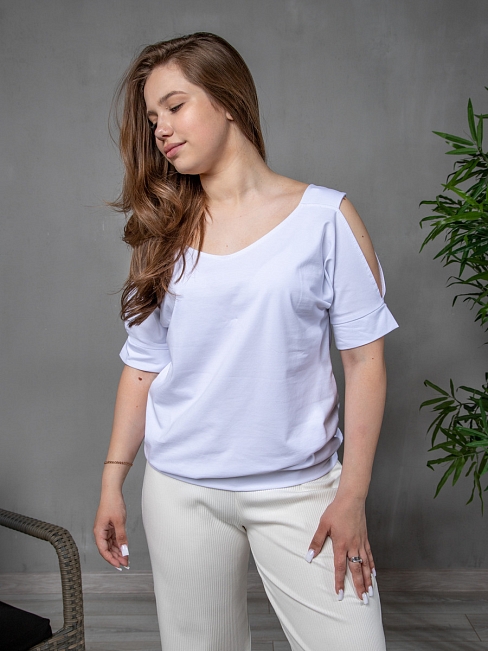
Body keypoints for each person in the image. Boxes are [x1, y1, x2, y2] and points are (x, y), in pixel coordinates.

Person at [93, 32, 398, 651]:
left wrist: (352, 495)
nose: (161, 129)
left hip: (300, 490)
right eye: (152, 118)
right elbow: (144, 366)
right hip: (180, 491)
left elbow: (365, 361)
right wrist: (112, 481)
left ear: (228, 99)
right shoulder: (162, 231)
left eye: (175, 106)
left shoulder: (326, 218)